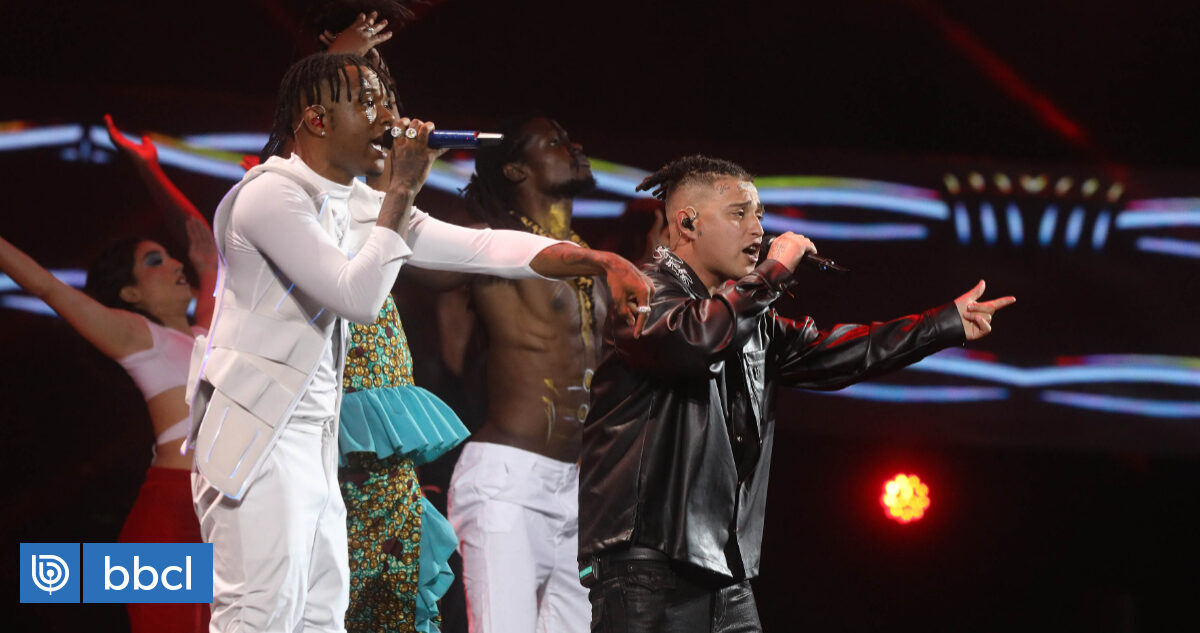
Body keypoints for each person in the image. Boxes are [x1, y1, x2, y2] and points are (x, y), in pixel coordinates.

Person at [187, 53, 652, 633]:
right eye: (368, 103)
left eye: (388, 102)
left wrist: (600, 260)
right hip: (260, 434)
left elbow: (483, 248)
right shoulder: (269, 196)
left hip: (315, 437)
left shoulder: (356, 205)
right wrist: (403, 186)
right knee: (260, 613)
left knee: (320, 617)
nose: (390, 118)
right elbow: (356, 297)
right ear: (316, 120)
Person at [578, 155, 1016, 633]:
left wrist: (944, 323)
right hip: (647, 567)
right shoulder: (640, 292)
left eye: (759, 214)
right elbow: (694, 341)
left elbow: (840, 352)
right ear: (687, 223)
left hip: (723, 570)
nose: (757, 229)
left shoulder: (748, 319)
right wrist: (770, 273)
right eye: (739, 213)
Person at [0, 115, 217, 633]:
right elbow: (47, 288)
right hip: (171, 512)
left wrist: (149, 168)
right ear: (129, 293)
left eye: (170, 257)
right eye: (155, 261)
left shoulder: (209, 331)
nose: (176, 265)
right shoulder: (135, 336)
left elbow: (206, 251)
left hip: (217, 511)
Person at [445, 115, 609, 633]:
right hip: (508, 479)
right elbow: (407, 261)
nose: (573, 146)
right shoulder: (493, 245)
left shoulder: (595, 262)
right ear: (516, 169)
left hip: (579, 488)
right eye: (554, 142)